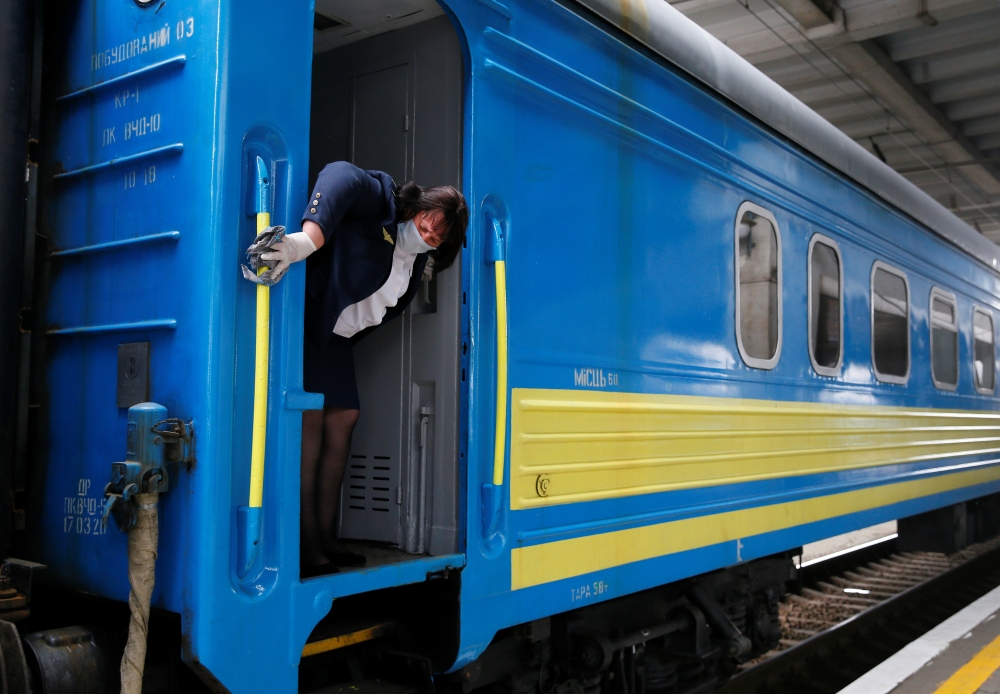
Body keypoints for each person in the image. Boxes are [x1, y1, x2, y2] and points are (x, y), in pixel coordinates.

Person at [248, 161, 468, 577]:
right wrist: (307, 240)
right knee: (312, 421)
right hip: (309, 322)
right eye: (427, 224)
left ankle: (326, 537)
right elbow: (340, 174)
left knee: (344, 417)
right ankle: (305, 544)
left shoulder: (417, 262)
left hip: (336, 340)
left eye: (438, 237)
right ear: (418, 207)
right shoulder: (383, 201)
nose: (428, 236)